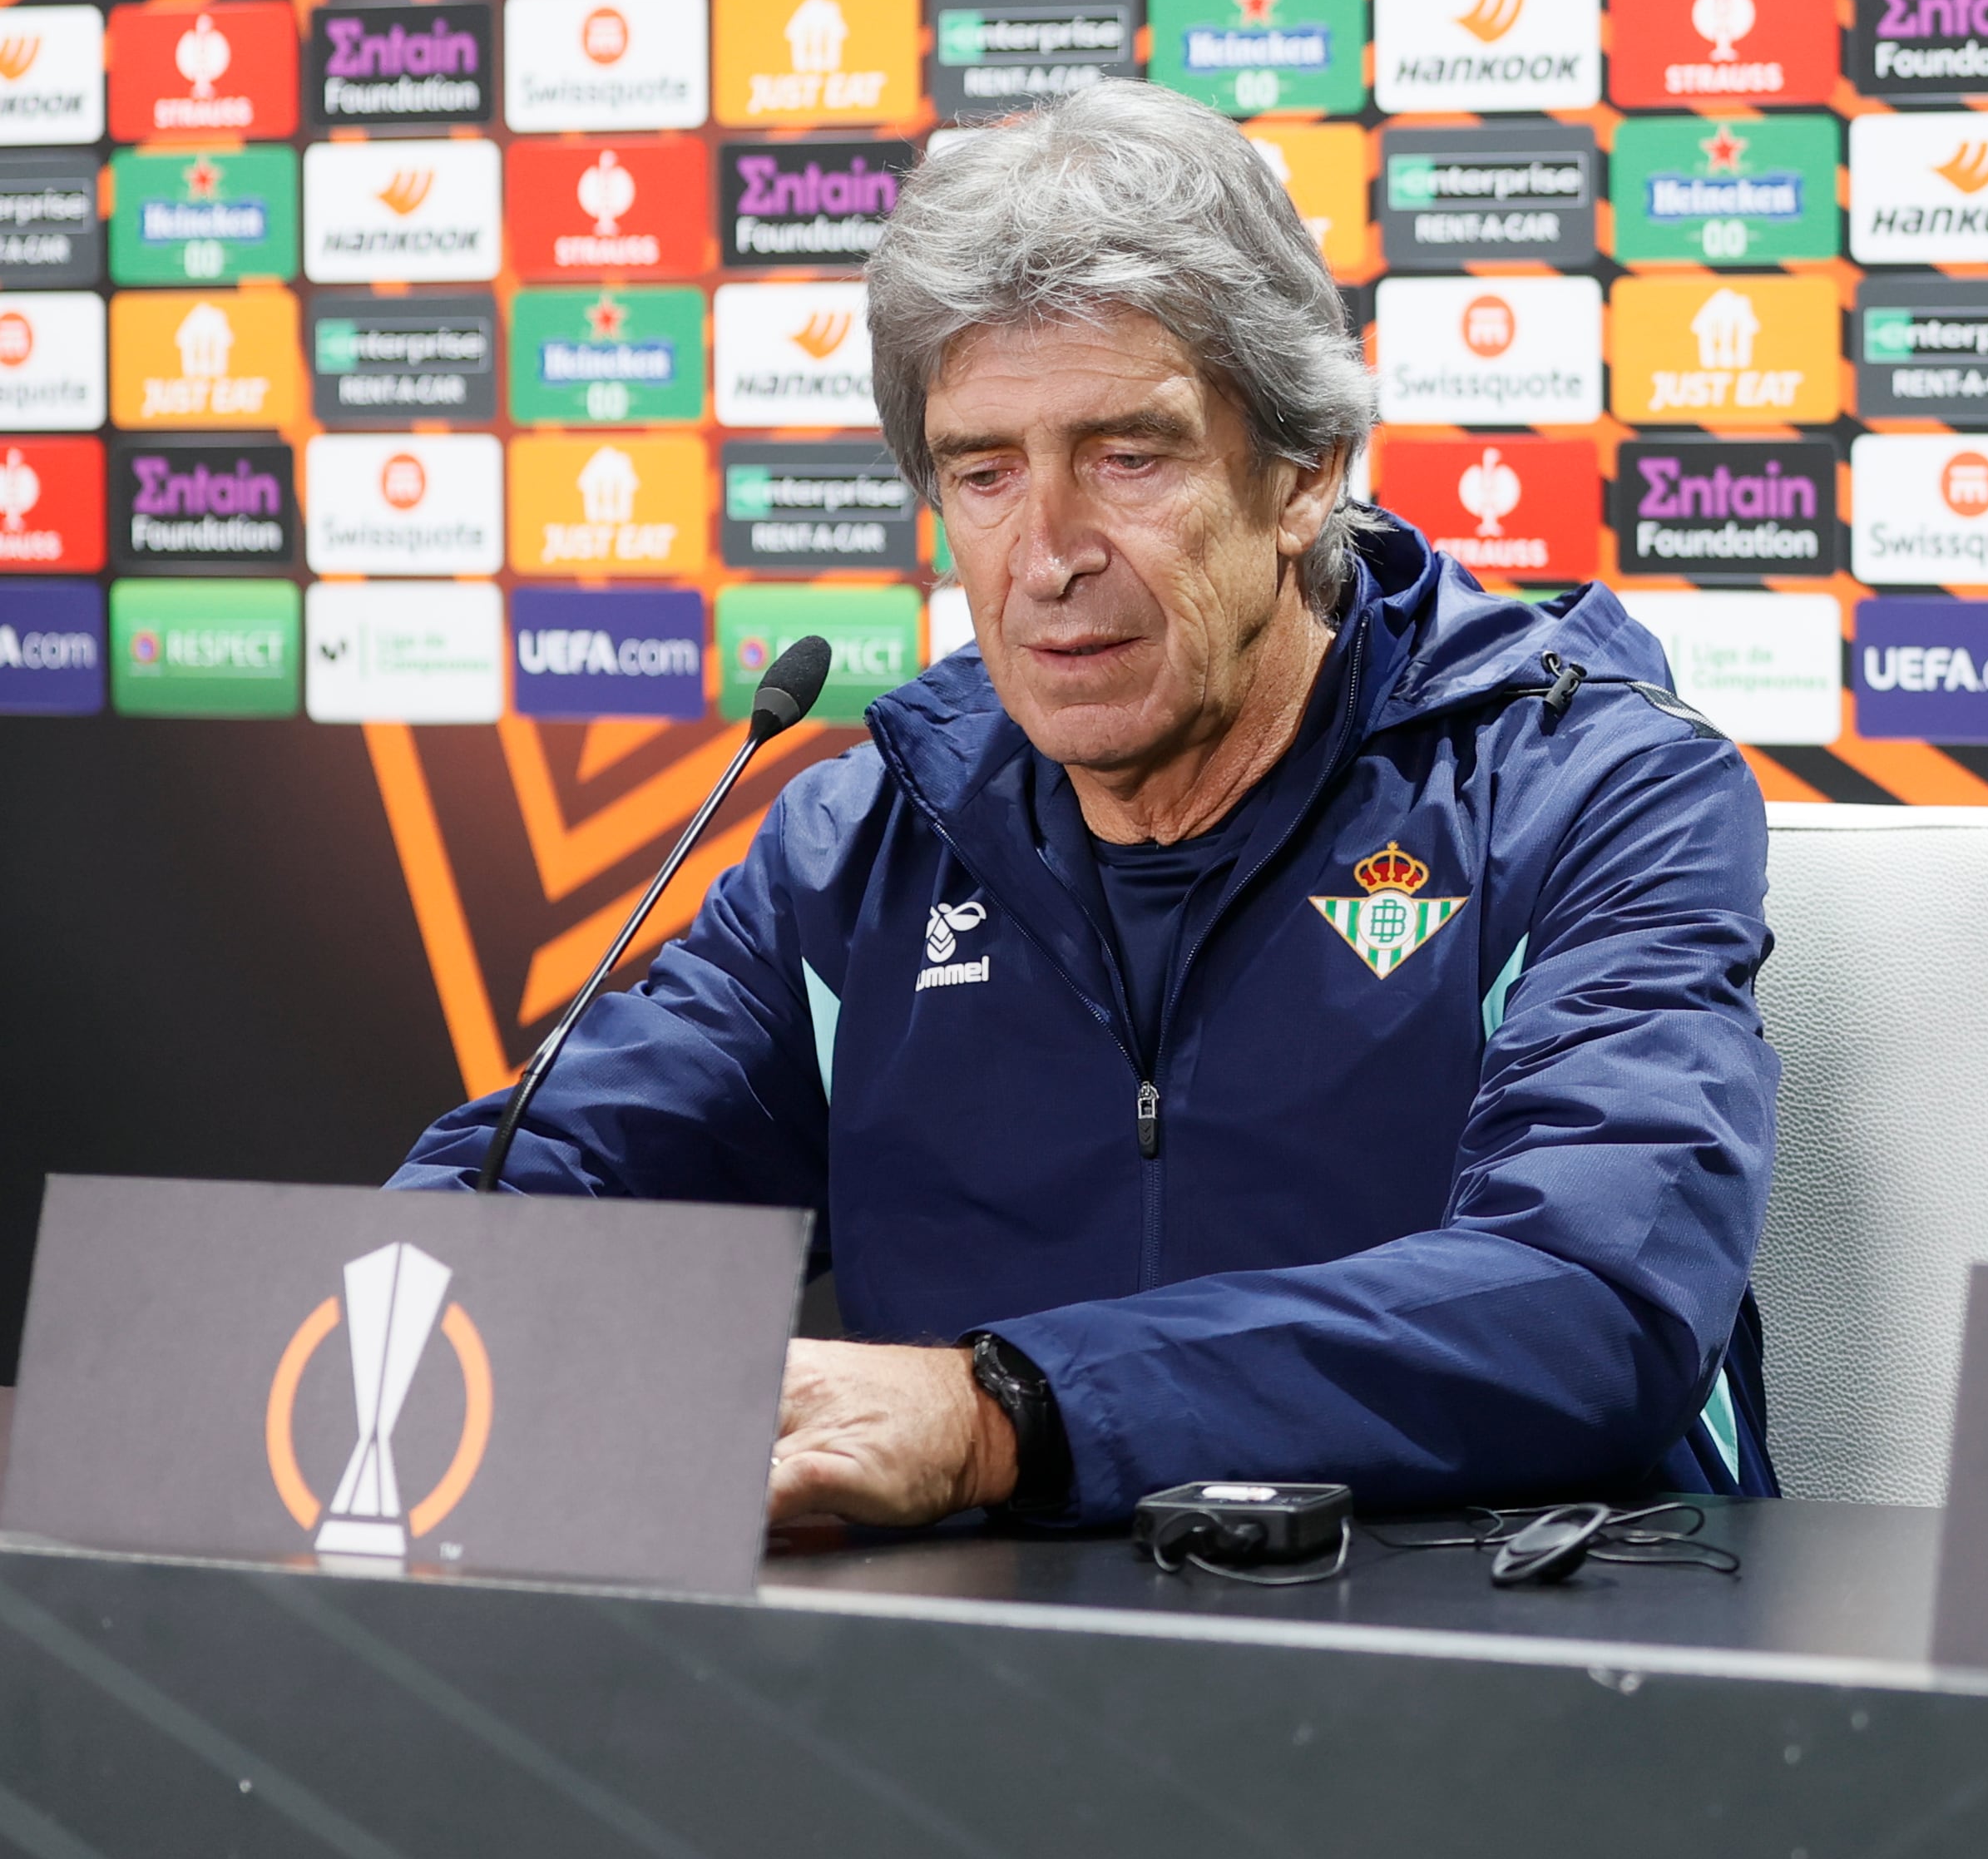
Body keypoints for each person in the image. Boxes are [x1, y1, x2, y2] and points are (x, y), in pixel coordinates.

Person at [396, 81, 1780, 1530]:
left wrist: (1008, 1411)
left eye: (1129, 457)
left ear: (1304, 473)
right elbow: (539, 1187)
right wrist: (384, 1299)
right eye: (984, 474)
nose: (1046, 554)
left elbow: (1590, 1299)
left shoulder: (1582, 791)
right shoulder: (861, 847)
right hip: (946, 1692)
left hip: (1496, 1670)